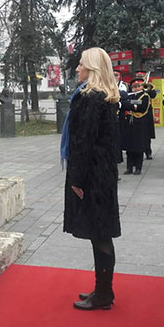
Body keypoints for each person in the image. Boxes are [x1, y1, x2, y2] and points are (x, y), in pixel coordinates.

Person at [61, 47, 121, 311]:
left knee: (100, 234)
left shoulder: (91, 97)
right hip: (101, 174)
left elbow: (83, 142)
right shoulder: (103, 96)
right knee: (101, 233)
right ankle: (102, 290)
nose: (77, 68)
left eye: (81, 64)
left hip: (92, 177)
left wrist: (76, 179)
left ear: (92, 68)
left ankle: (104, 294)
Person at [120, 77, 154, 175]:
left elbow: (142, 107)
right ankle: (129, 167)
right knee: (129, 147)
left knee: (138, 146)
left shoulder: (145, 96)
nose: (136, 88)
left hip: (139, 123)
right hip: (129, 123)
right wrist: (132, 105)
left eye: (138, 86)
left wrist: (130, 105)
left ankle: (138, 167)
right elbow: (124, 105)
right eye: (134, 87)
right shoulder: (130, 95)